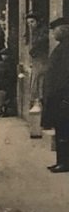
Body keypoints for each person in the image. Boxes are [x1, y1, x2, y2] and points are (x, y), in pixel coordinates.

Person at [42, 17, 69, 173]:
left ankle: (64, 163)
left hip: (64, 98)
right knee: (61, 130)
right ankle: (62, 161)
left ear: (64, 30)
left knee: (64, 130)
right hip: (59, 98)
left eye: (55, 30)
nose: (53, 34)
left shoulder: (66, 49)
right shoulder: (62, 47)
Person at [26, 13, 49, 106]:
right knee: (37, 79)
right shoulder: (33, 33)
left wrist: (33, 51)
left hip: (42, 59)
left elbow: (42, 42)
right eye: (28, 23)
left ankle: (37, 100)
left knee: (38, 79)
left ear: (38, 22)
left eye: (32, 22)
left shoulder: (42, 32)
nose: (30, 25)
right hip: (36, 60)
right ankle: (37, 99)